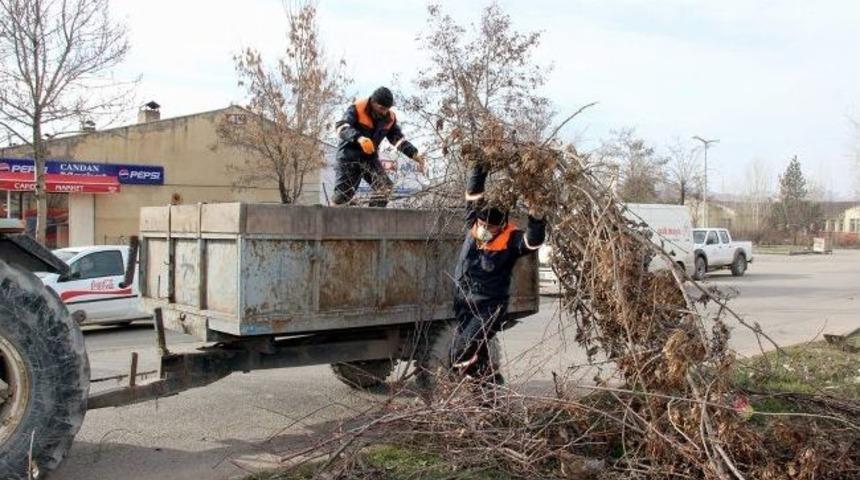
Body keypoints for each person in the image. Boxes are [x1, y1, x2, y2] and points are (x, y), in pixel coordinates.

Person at [450, 161, 547, 383]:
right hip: (464, 302)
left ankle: (459, 386)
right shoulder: (475, 225)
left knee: (462, 349)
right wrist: (479, 164)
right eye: (483, 223)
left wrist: (536, 216)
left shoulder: (512, 240)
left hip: (489, 307)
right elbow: (474, 194)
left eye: (491, 227)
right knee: (480, 355)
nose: (485, 230)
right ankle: (490, 397)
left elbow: (533, 241)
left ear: (502, 224)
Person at [333, 87, 424, 207]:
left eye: (387, 109)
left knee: (384, 188)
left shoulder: (389, 118)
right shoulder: (357, 108)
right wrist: (359, 138)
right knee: (342, 198)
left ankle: (371, 218)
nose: (384, 112)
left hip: (369, 159)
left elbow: (397, 139)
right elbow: (341, 127)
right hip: (348, 156)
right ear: (373, 102)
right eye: (381, 108)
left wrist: (413, 153)